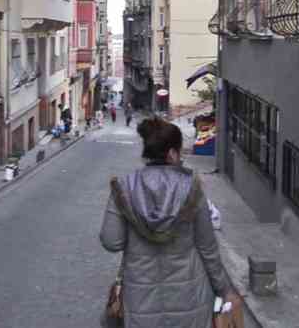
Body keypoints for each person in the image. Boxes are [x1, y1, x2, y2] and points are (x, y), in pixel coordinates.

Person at [100, 117, 235, 327]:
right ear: (172, 153)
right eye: (180, 152)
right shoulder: (192, 187)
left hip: (140, 298)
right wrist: (223, 290)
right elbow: (208, 248)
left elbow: (112, 242)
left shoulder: (124, 187)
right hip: (190, 298)